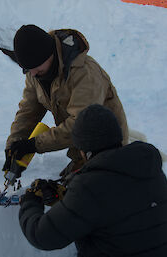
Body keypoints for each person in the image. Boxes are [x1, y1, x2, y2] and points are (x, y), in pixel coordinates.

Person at [19, 104, 167, 257]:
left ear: (83, 149)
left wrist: (30, 201)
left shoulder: (90, 188)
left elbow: (42, 236)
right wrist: (70, 196)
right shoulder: (149, 168)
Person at [3, 24, 129, 175]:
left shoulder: (84, 73)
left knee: (79, 195)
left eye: (36, 68)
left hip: (107, 152)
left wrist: (34, 145)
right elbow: (28, 111)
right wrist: (14, 145)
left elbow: (79, 125)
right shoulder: (35, 72)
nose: (33, 74)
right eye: (27, 69)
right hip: (81, 151)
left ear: (48, 54)